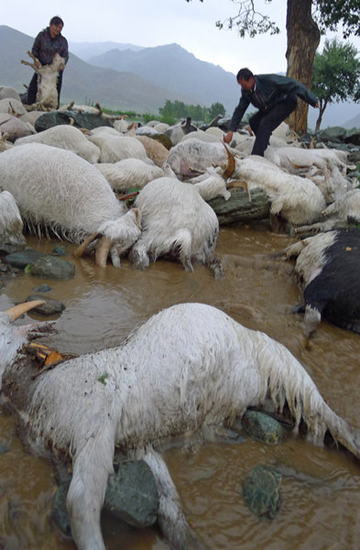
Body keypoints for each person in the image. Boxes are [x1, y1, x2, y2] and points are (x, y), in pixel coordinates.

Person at [224, 68, 319, 157]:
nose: (242, 88)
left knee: (265, 124)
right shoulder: (246, 92)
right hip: (269, 107)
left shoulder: (268, 81)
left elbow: (293, 84)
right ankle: (264, 144)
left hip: (286, 102)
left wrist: (312, 99)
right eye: (241, 85)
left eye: (244, 85)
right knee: (253, 121)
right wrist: (231, 131)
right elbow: (240, 110)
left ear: (251, 80)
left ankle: (256, 156)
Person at [24, 16, 69, 108]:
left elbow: (65, 55)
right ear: (51, 25)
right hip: (42, 66)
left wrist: (61, 65)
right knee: (33, 87)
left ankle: (54, 109)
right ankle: (29, 107)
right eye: (57, 27)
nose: (58, 29)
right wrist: (36, 60)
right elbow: (35, 49)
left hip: (55, 69)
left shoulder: (63, 41)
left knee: (56, 89)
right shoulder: (42, 36)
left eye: (60, 28)